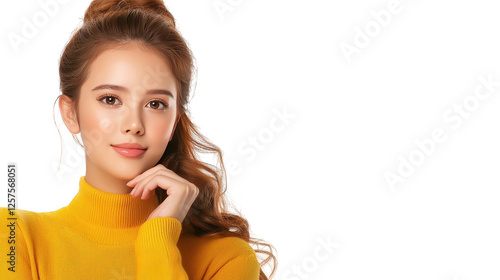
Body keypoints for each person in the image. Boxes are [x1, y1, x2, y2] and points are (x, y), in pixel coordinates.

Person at [0, 0, 277, 279]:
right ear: (70, 113)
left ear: (175, 121)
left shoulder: (225, 259)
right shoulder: (14, 236)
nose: (134, 125)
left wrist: (157, 239)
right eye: (110, 99)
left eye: (155, 104)